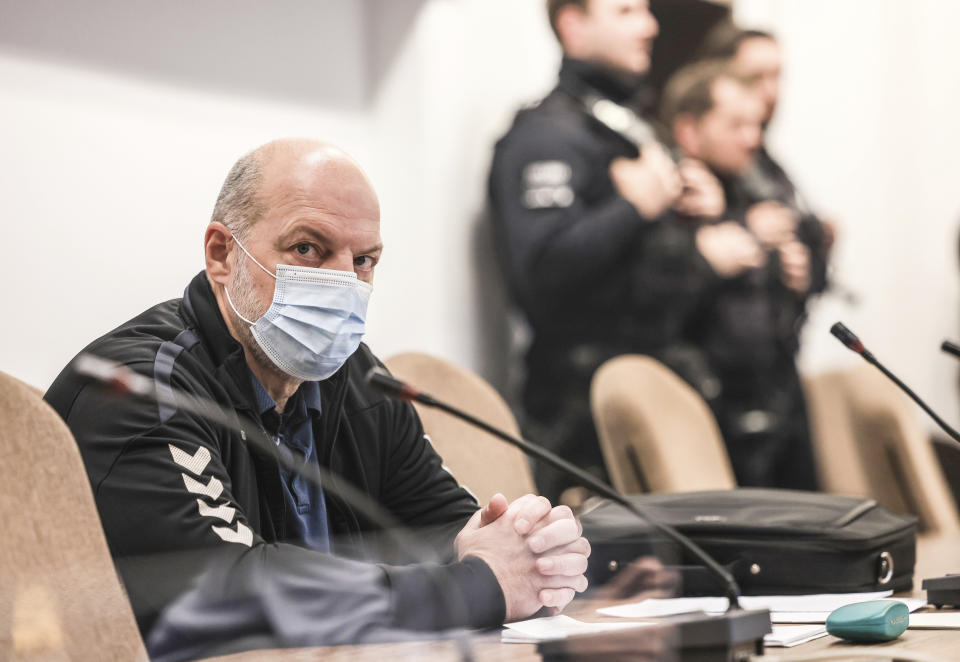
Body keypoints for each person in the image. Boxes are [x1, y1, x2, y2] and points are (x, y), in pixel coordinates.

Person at [44, 139, 591, 656]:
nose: (344, 283)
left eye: (364, 261)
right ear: (221, 254)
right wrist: (476, 586)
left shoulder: (354, 376)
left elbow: (437, 526)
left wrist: (523, 550)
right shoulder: (141, 388)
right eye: (308, 248)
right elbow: (231, 589)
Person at [488, 0, 763, 503]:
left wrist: (698, 214)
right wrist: (633, 206)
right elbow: (543, 275)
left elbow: (650, 270)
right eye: (625, 11)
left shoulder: (627, 125)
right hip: (586, 420)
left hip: (666, 389)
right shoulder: (548, 135)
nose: (649, 25)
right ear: (573, 25)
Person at [662, 60, 826, 489]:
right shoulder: (670, 195)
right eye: (735, 125)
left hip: (775, 396)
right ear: (689, 131)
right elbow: (651, 303)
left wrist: (797, 272)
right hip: (702, 407)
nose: (752, 139)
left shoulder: (758, 187)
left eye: (755, 125)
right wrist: (736, 236)